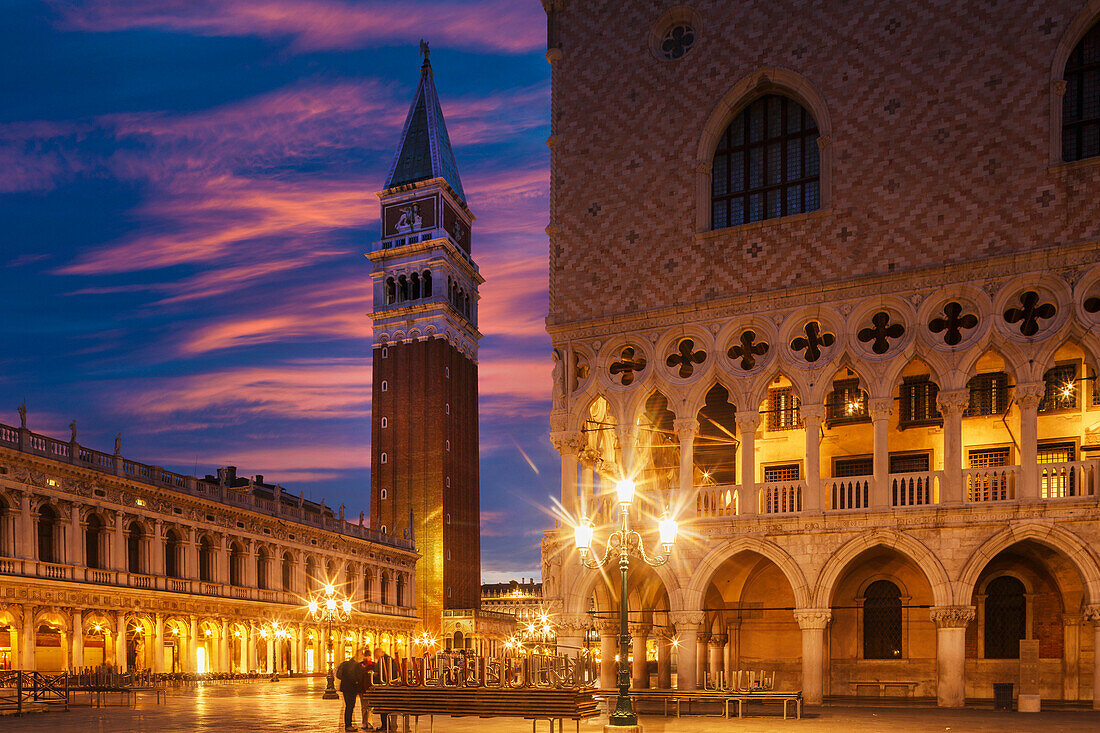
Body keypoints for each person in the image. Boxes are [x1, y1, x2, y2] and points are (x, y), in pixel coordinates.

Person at [335, 650, 364, 732]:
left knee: (348, 706)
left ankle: (348, 724)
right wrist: (357, 682)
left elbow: (338, 675)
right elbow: (354, 677)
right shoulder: (355, 665)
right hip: (351, 689)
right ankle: (348, 725)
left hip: (345, 688)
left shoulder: (345, 664)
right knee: (350, 707)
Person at [372, 646, 394, 732]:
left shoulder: (383, 660)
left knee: (383, 708)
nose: (376, 658)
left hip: (383, 687)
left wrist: (374, 675)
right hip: (389, 686)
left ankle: (385, 726)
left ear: (380, 653)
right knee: (384, 709)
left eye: (376, 656)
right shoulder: (390, 659)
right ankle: (386, 725)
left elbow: (378, 673)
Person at [359, 649, 376, 731]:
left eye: (368, 656)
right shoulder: (360, 665)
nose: (367, 658)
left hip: (371, 689)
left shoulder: (373, 665)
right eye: (366, 656)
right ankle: (364, 722)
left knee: (370, 707)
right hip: (363, 689)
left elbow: (376, 675)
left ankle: (369, 722)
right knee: (364, 707)